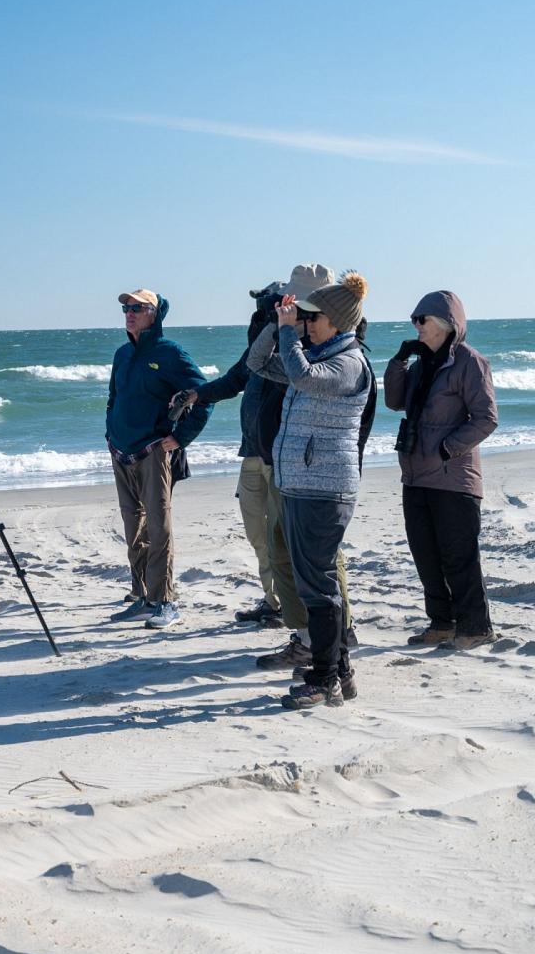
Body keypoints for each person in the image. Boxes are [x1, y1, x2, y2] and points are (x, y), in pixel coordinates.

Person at [247, 273, 375, 709]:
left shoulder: (348, 363)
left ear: (338, 321)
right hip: (302, 485)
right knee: (313, 586)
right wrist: (277, 321)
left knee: (318, 588)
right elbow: (257, 362)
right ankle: (338, 671)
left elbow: (301, 376)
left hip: (325, 490)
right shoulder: (318, 353)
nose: (307, 323)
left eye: (313, 317)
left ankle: (323, 679)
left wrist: (288, 331)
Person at [385, 291, 498, 650]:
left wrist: (448, 448)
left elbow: (486, 419)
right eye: (414, 320)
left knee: (458, 556)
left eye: (423, 320)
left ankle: (476, 628)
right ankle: (442, 624)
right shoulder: (421, 365)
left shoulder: (469, 362)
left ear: (446, 325)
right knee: (426, 556)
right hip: (416, 474)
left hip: (453, 477)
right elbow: (394, 401)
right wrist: (400, 362)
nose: (416, 326)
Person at [176, 281, 285, 626]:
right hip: (251, 452)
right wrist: (198, 394)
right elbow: (236, 378)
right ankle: (273, 600)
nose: (262, 312)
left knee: (278, 534)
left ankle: (289, 604)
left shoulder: (294, 343)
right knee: (257, 532)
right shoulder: (258, 345)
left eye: (269, 306)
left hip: (278, 456)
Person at [106, 289, 212, 630]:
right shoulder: (123, 354)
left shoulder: (170, 353)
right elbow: (114, 398)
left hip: (153, 451)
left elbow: (204, 396)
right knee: (131, 526)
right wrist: (110, 433)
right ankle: (142, 596)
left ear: (155, 313)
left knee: (158, 526)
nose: (130, 312)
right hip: (121, 451)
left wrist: (181, 437)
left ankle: (165, 600)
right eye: (126, 307)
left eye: (138, 307)